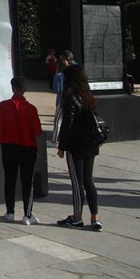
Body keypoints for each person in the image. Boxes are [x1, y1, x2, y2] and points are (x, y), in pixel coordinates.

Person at [57, 65, 103, 231]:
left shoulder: (70, 97)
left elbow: (67, 124)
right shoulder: (87, 95)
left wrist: (61, 146)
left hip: (75, 145)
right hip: (90, 144)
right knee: (88, 180)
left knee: (77, 183)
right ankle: (95, 217)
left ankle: (77, 217)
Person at [0, 76, 42, 225]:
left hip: (8, 147)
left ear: (12, 88)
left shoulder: (2, 106)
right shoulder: (31, 109)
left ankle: (10, 211)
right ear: (25, 89)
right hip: (27, 148)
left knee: (10, 180)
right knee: (27, 182)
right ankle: (27, 214)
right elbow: (37, 131)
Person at [51, 51, 73, 143]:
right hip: (70, 99)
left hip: (61, 100)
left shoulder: (58, 76)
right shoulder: (71, 73)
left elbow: (57, 89)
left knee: (57, 120)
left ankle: (55, 138)